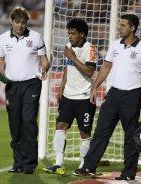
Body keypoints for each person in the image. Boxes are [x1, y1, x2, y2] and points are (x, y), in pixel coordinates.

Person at [74, 14, 141, 181]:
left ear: (132, 28)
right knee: (101, 132)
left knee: (130, 135)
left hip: (132, 96)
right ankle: (88, 166)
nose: (120, 27)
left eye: (123, 25)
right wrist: (95, 86)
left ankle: (128, 173)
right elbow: (106, 66)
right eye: (120, 24)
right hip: (113, 95)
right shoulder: (115, 45)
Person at [0, 6, 50, 174]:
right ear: (12, 22)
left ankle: (29, 164)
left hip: (31, 84)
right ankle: (17, 163)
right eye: (17, 22)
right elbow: (0, 61)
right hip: (12, 86)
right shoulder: (2, 39)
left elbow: (44, 60)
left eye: (23, 23)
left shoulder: (36, 37)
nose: (20, 26)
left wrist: (44, 69)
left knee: (29, 121)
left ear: (27, 23)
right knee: (15, 124)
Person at [42, 18, 97, 175]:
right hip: (68, 96)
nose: (70, 36)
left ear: (82, 34)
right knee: (60, 126)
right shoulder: (68, 47)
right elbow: (67, 69)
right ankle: (59, 163)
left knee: (84, 133)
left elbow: (89, 71)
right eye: (69, 33)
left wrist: (72, 57)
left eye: (73, 33)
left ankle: (83, 166)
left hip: (85, 97)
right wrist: (61, 88)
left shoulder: (90, 48)